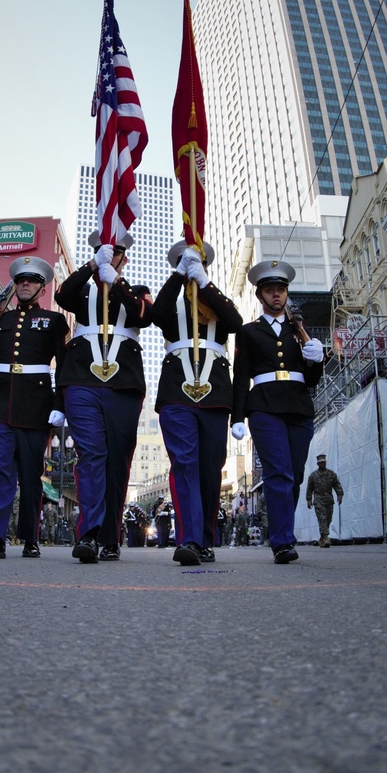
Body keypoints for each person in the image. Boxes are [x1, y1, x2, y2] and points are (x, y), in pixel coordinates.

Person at [55, 232, 152, 564]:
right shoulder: (82, 291)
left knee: (117, 460)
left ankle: (111, 536)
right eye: (104, 253)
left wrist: (116, 281)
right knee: (92, 453)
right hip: (81, 378)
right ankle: (90, 534)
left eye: (115, 254)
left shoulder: (136, 291)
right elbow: (62, 294)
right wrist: (91, 265)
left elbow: (143, 316)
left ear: (125, 258)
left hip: (123, 383)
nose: (110, 258)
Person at [0, 254, 69, 559]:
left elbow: (62, 366)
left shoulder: (54, 321)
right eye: (21, 280)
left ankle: (30, 536)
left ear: (41, 288)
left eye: (32, 280)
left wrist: (61, 405)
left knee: (29, 474)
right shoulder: (1, 320)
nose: (25, 284)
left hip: (36, 407)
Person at [149, 240, 242, 565]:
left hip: (215, 395)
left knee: (210, 470)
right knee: (185, 463)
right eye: (186, 263)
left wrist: (203, 282)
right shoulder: (172, 303)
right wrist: (178, 276)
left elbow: (235, 321)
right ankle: (188, 540)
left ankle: (204, 539)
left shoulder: (216, 302)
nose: (191, 269)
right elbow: (155, 314)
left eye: (196, 264)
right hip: (177, 392)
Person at [231, 259, 325, 564]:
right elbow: (241, 374)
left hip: (298, 407)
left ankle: (281, 531)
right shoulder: (249, 332)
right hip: (264, 408)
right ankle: (283, 541)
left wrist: (315, 359)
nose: (276, 295)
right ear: (260, 296)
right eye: (270, 290)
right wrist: (237, 417)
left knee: (294, 476)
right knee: (278, 473)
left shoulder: (299, 330)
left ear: (286, 294)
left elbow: (311, 381)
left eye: (281, 290)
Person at [305, 452, 344, 548]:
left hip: (329, 499)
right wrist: (309, 499)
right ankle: (326, 538)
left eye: (323, 462)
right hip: (318, 500)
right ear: (317, 463)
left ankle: (322, 537)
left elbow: (336, 485)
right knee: (322, 518)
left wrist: (340, 494)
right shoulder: (313, 476)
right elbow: (309, 488)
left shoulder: (331, 474)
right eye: (320, 462)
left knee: (328, 519)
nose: (322, 464)